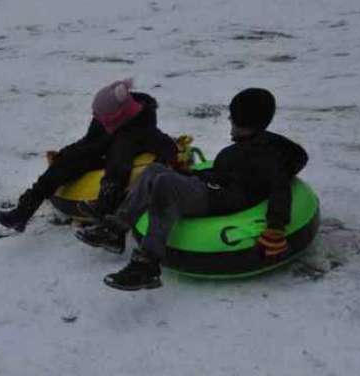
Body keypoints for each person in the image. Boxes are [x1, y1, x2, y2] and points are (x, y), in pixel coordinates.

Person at [76, 88, 309, 291]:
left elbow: (280, 188)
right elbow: (222, 175)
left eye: (232, 120)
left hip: (225, 200)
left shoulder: (268, 156)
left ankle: (147, 265)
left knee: (165, 185)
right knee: (155, 171)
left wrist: (276, 228)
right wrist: (187, 174)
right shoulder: (245, 147)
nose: (229, 122)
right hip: (216, 187)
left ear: (244, 123)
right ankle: (116, 230)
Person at [0, 79, 178, 233]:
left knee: (118, 159)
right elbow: (89, 142)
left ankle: (104, 212)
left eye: (102, 119)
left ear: (117, 116)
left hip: (118, 166)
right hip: (99, 154)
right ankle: (23, 211)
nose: (99, 120)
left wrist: (169, 162)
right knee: (69, 160)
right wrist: (64, 156)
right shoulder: (105, 116)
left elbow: (167, 146)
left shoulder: (142, 127)